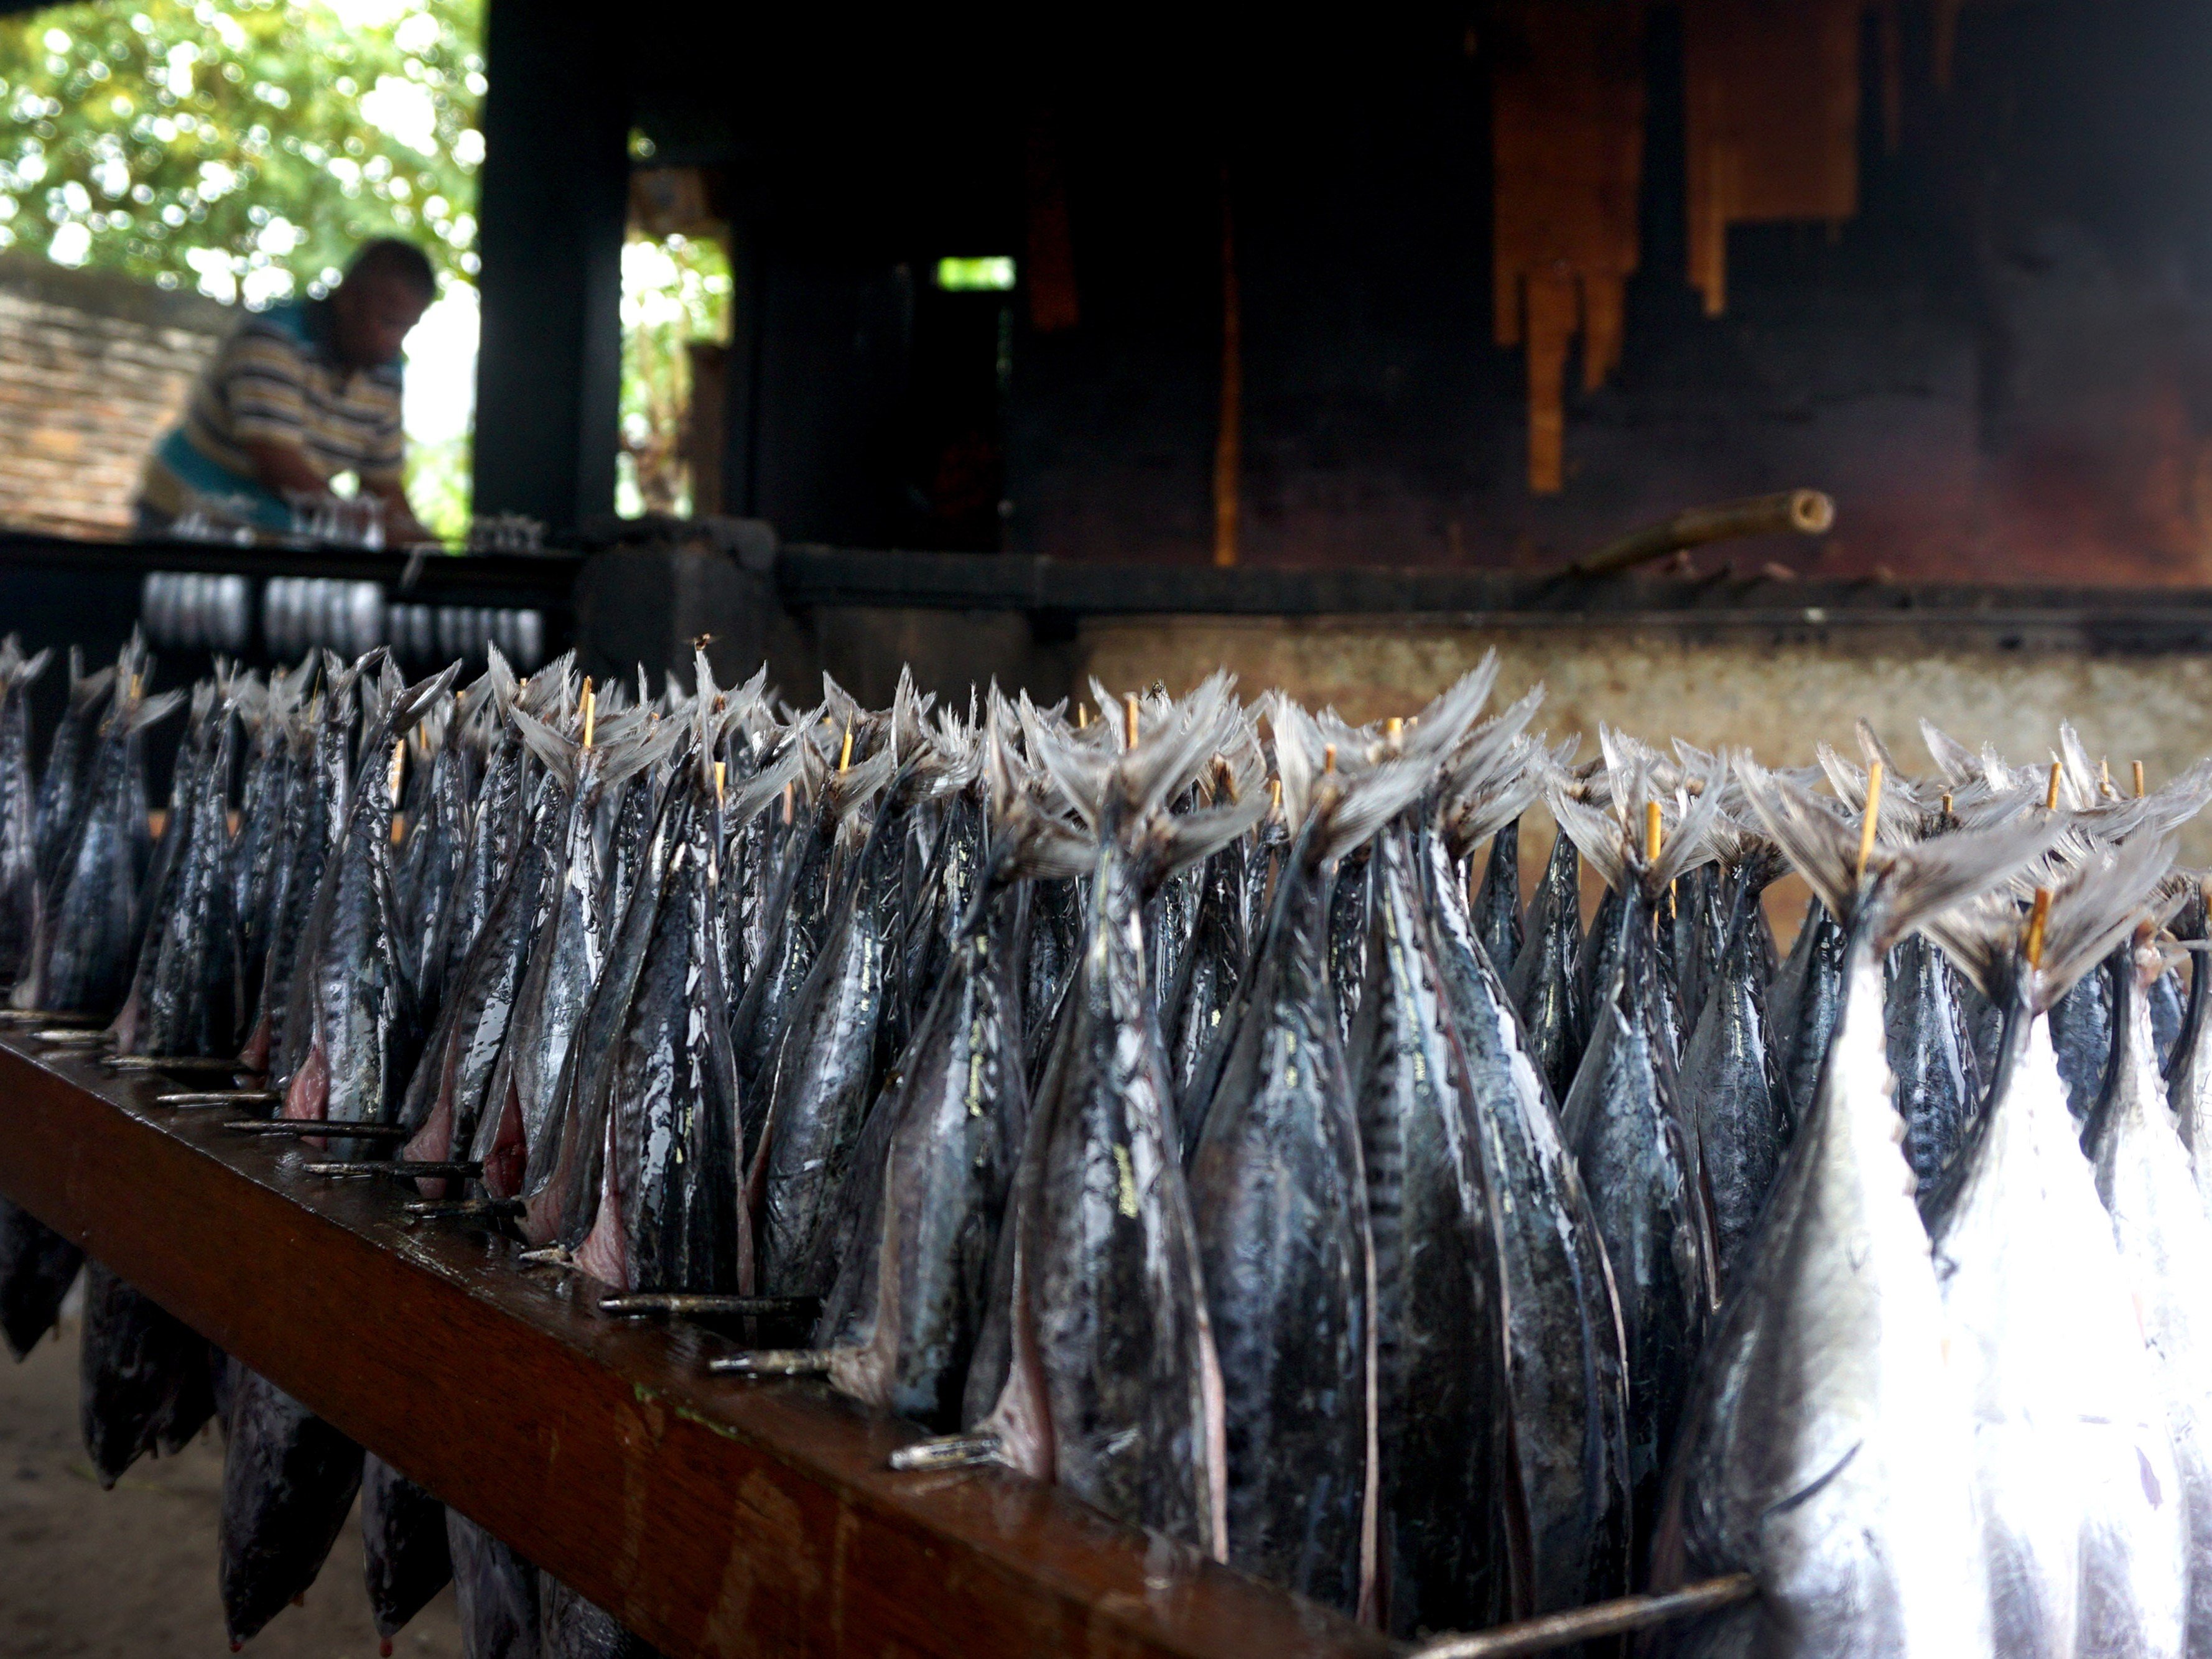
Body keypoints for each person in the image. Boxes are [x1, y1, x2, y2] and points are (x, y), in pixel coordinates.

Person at [135, 237, 437, 542]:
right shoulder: (273, 339)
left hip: (264, 530)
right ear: (349, 299)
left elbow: (382, 483)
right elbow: (278, 464)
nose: (395, 341)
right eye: (388, 322)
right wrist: (361, 527)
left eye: (406, 327)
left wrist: (425, 548)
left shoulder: (386, 373)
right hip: (183, 514)